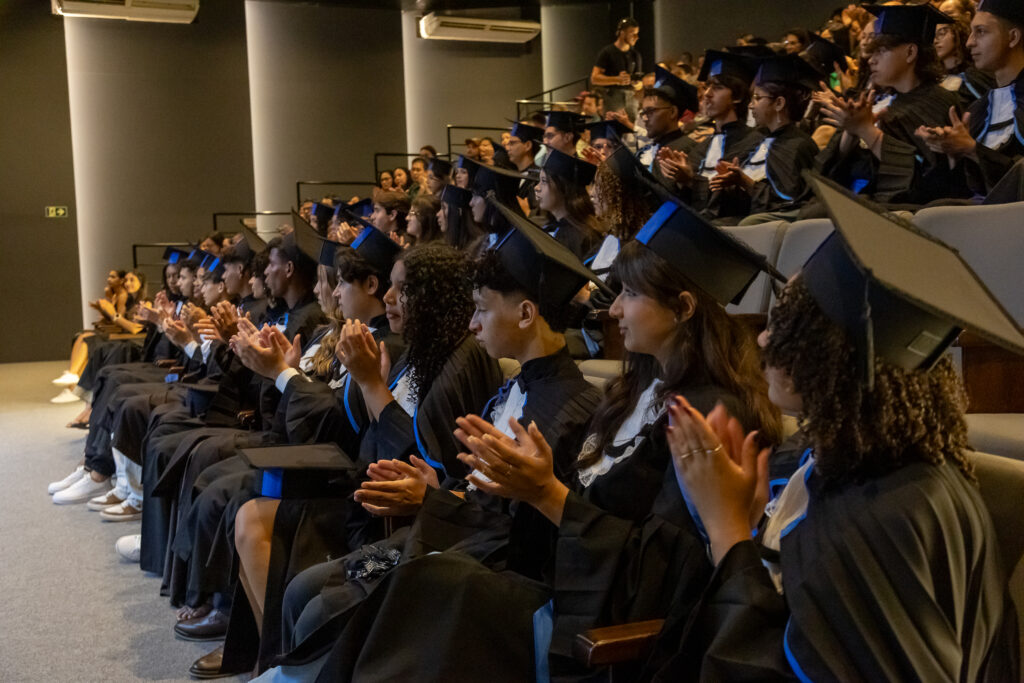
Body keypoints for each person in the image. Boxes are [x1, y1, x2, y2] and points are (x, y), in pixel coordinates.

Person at [303, 197, 785, 683]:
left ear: (682, 307)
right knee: (409, 584)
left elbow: (662, 572)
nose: (614, 308)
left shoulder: (708, 415)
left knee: (435, 584)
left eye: (631, 293)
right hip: (558, 577)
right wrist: (497, 490)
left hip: (598, 621)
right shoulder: (634, 391)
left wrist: (545, 493)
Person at [652, 175, 1021, 682]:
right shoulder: (852, 467)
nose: (762, 340)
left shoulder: (878, 518)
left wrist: (728, 531)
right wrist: (749, 523)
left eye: (785, 326)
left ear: (835, 361)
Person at [817, 3, 971, 206]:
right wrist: (851, 129)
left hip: (906, 210)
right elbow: (833, 172)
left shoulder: (938, 102)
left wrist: (866, 131)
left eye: (881, 51)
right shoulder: (877, 100)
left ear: (910, 53)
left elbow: (924, 181)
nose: (871, 60)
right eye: (872, 52)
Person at [916, 0, 1024, 200]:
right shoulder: (979, 109)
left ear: (1013, 37)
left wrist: (973, 150)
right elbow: (966, 191)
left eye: (981, 32)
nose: (969, 42)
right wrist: (953, 153)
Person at [713, 55, 822, 224]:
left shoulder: (798, 146)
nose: (751, 105)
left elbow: (788, 206)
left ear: (779, 103)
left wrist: (746, 182)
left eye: (757, 98)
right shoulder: (755, 139)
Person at [657, 50, 762, 212]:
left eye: (717, 88)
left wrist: (691, 180)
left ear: (738, 96)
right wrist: (679, 179)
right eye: (707, 87)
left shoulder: (754, 142)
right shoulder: (701, 148)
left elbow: (736, 202)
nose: (707, 94)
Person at [636, 66, 699, 191]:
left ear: (672, 112)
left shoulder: (688, 149)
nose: (645, 118)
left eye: (651, 111)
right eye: (644, 113)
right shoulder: (646, 150)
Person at [536, 149, 603, 260]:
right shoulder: (550, 227)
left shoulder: (585, 237)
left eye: (544, 181)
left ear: (563, 188)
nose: (537, 188)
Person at [591, 17, 643, 121]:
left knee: (633, 127)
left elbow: (639, 83)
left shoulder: (635, 55)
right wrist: (617, 80)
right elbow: (594, 78)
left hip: (631, 98)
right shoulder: (607, 52)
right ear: (622, 33)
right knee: (614, 125)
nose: (636, 37)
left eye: (637, 33)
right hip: (613, 97)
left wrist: (636, 83)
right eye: (632, 33)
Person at [935, 18, 995, 105]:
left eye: (941, 34)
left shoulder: (973, 76)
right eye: (933, 36)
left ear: (957, 34)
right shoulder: (935, 77)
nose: (935, 41)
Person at [506, 122, 544, 215]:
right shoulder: (513, 175)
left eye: (512, 143)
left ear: (527, 145)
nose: (507, 148)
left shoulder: (538, 179)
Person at [437, 184, 483, 252]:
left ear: (458, 212)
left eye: (444, 207)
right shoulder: (453, 244)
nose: (438, 214)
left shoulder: (478, 249)